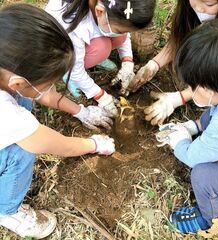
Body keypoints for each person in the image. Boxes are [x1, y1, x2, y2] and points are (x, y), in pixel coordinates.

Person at [0, 4, 115, 239]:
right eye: (48, 82)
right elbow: (55, 145)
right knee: (20, 151)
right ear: (19, 83)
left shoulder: (6, 61)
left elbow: (42, 94)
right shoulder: (5, 112)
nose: (51, 88)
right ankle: (7, 211)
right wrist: (93, 144)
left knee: (25, 104)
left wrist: (81, 111)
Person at [156, 19, 218, 235]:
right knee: (213, 113)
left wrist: (180, 140)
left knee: (203, 176)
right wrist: (192, 126)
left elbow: (192, 157)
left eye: (192, 86)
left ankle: (209, 219)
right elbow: (215, 112)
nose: (189, 90)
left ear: (209, 90)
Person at [129, 0, 218, 126]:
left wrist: (178, 98)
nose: (199, 8)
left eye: (209, 4)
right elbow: (180, 35)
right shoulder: (192, 7)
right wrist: (154, 64)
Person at [45, 0, 156, 119]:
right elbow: (77, 70)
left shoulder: (111, 11)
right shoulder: (75, 25)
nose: (126, 33)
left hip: (91, 33)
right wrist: (101, 96)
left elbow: (124, 32)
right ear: (99, 11)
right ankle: (67, 72)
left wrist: (127, 62)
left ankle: (94, 56)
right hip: (60, 51)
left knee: (119, 38)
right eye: (121, 30)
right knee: (101, 48)